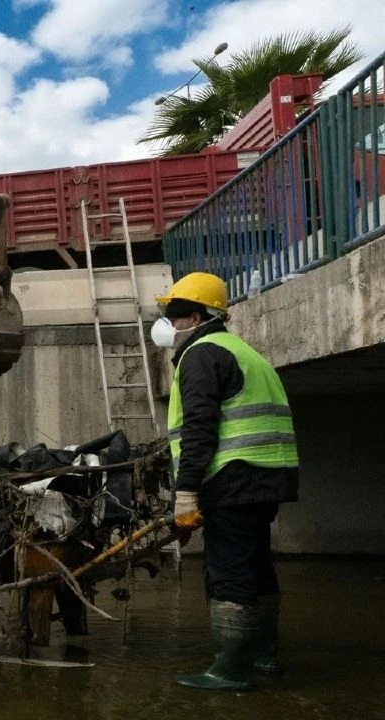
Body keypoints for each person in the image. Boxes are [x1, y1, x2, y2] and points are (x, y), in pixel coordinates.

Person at [152, 271, 300, 691]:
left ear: (195, 317)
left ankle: (230, 670)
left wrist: (186, 491)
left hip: (232, 477)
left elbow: (200, 428)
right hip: (267, 475)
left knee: (229, 568)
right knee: (257, 566)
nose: (171, 326)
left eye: (176, 317)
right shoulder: (243, 351)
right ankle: (263, 658)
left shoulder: (202, 354)